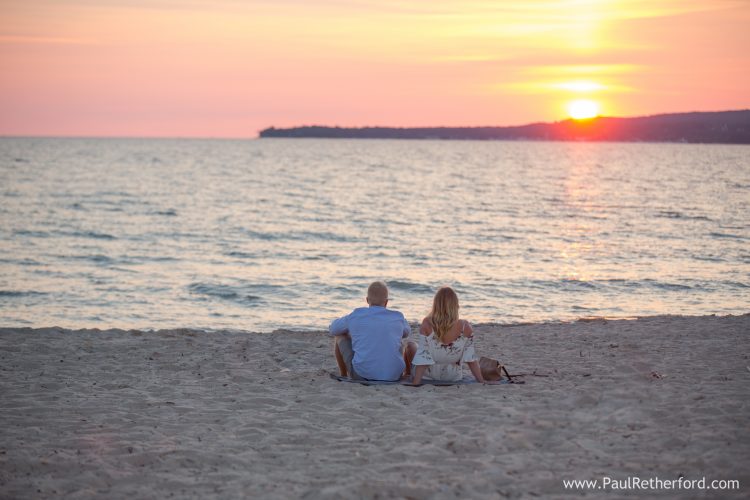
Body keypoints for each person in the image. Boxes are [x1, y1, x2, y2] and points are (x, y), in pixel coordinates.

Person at [329, 281, 417, 381]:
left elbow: (333, 329)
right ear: (387, 302)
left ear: (367, 300)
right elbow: (406, 332)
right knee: (397, 338)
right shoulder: (397, 316)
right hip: (394, 376)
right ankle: (407, 373)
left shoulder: (356, 315)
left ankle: (344, 374)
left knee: (339, 335)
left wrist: (351, 333)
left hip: (362, 375)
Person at [411, 286, 496, 385]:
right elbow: (471, 359)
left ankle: (407, 374)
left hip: (428, 376)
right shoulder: (465, 327)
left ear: (436, 304)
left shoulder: (427, 323)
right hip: (452, 376)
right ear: (456, 305)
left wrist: (415, 383)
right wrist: (481, 381)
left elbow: (423, 358)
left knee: (411, 346)